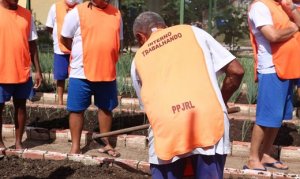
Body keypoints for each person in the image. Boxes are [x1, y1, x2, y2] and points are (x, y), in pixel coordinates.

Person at [131, 11, 244, 178]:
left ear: (140, 37)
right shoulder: (192, 32)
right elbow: (237, 71)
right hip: (208, 120)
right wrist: (222, 101)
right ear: (165, 27)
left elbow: (150, 110)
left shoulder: (137, 61)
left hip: (168, 129)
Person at [60, 0, 123, 156]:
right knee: (76, 110)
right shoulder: (76, 12)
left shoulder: (116, 14)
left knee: (106, 109)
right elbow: (65, 38)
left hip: (107, 70)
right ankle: (75, 146)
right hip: (80, 72)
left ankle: (106, 143)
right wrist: (83, 53)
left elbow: (119, 40)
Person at [246, 0, 300, 171]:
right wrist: (294, 27)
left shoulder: (281, 6)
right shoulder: (260, 7)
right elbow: (273, 36)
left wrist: (292, 10)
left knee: (276, 118)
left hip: (287, 67)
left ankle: (266, 154)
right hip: (271, 68)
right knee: (265, 117)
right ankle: (253, 159)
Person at [0, 0, 42, 149]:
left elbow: (32, 44)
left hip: (22, 70)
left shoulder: (26, 15)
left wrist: (38, 70)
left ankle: (18, 142)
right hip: (2, 71)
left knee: (21, 107)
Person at [46, 0, 82, 105]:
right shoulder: (55, 7)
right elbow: (49, 26)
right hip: (60, 49)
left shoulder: (80, 8)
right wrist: (57, 37)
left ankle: (73, 101)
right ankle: (60, 101)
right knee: (61, 76)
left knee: (75, 77)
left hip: (76, 49)